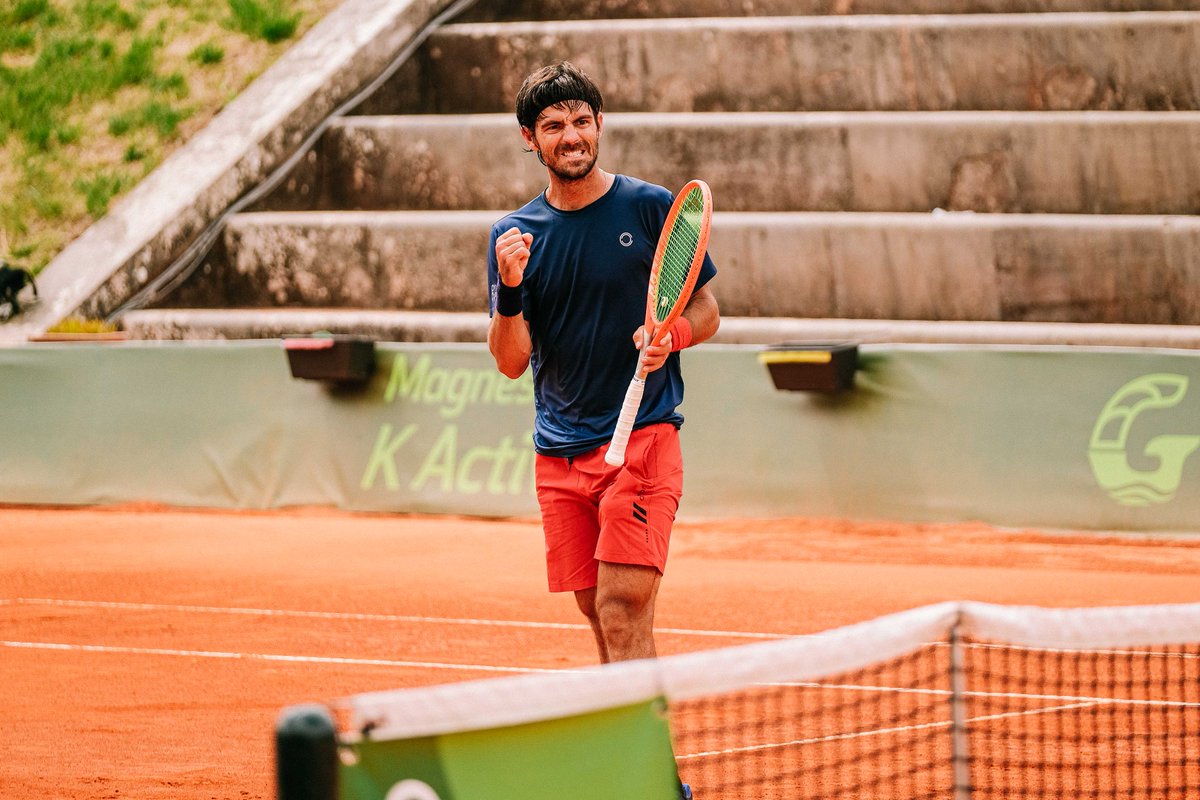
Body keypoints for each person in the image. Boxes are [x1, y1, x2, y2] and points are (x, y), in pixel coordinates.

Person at [486, 61, 720, 667]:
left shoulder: (651, 207)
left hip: (642, 438)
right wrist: (510, 289)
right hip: (559, 453)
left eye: (582, 121)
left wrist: (673, 337)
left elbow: (707, 310)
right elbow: (511, 361)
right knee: (597, 608)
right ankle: (630, 728)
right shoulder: (514, 236)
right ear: (529, 138)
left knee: (621, 605)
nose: (572, 136)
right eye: (553, 125)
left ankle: (642, 736)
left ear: (599, 124)